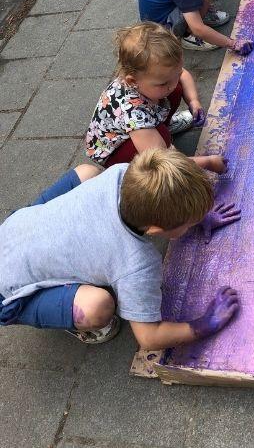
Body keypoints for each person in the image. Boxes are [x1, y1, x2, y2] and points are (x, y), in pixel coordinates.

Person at [0, 149, 240, 347]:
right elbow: (149, 337)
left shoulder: (122, 173)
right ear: (155, 229)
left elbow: (164, 172)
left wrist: (208, 163)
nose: (193, 224)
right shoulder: (136, 264)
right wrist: (205, 324)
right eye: (189, 223)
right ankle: (74, 321)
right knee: (98, 307)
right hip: (9, 291)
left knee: (87, 172)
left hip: (14, 229)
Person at [86, 22, 225, 173]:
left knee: (178, 90)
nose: (172, 85)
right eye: (163, 83)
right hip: (117, 151)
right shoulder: (134, 116)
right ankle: (136, 167)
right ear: (132, 81)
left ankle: (164, 125)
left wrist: (193, 101)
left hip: (141, 118)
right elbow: (165, 162)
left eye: (175, 75)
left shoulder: (151, 79)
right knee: (161, 144)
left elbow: (183, 75)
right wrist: (208, 162)